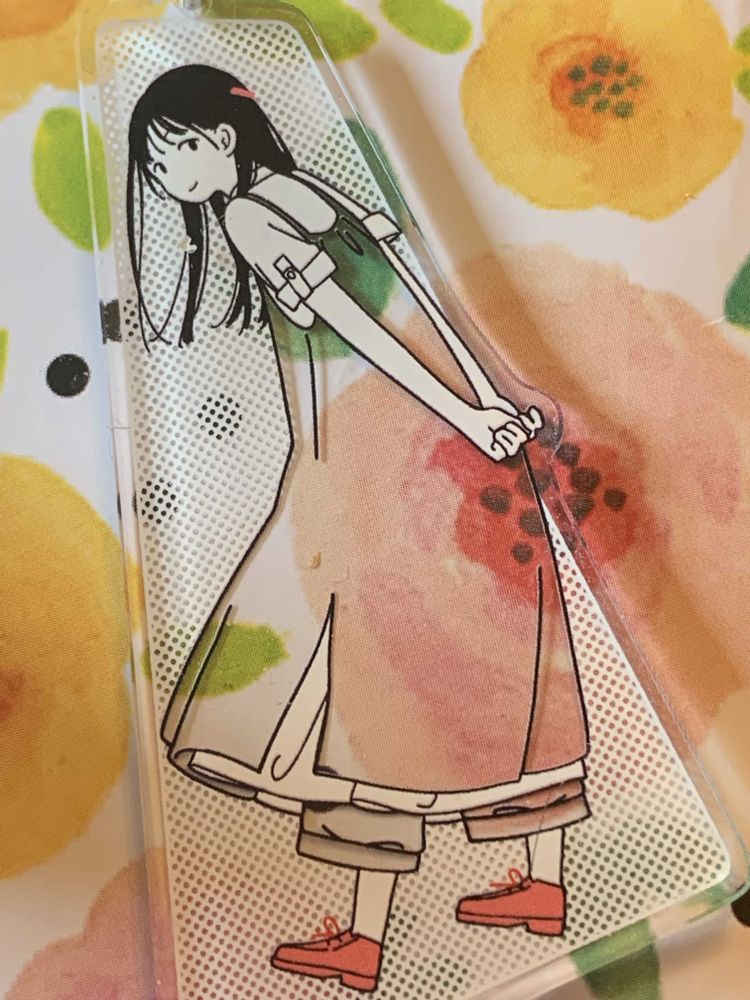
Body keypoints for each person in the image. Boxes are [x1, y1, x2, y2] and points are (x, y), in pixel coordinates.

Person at [128, 64, 590, 994]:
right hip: (440, 451)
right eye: (156, 166)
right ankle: (542, 885)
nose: (167, 179)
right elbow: (427, 303)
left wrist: (471, 413)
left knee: (359, 679)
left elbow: (362, 325)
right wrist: (485, 403)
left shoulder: (250, 215)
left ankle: (366, 939)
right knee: (496, 652)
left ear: (218, 140)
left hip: (361, 461)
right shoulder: (320, 193)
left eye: (171, 155)